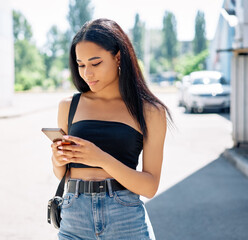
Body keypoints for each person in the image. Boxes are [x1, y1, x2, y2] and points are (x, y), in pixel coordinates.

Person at [50, 18, 173, 240]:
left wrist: (101, 158)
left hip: (124, 216)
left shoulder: (150, 111)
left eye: (95, 63)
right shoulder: (68, 106)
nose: (87, 73)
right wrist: (58, 160)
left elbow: (150, 186)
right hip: (74, 215)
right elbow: (62, 174)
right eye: (81, 65)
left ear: (118, 57)